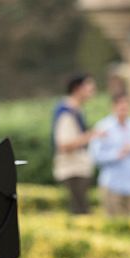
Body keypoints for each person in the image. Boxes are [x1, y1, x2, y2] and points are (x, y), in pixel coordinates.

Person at [89, 92, 130, 217]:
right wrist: (116, 155)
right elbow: (95, 156)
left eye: (127, 106)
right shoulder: (103, 127)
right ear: (113, 107)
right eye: (121, 107)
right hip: (112, 184)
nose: (124, 110)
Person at [52, 73, 100, 214]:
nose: (92, 90)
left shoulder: (77, 110)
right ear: (77, 88)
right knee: (80, 211)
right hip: (73, 169)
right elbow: (63, 145)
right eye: (88, 86)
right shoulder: (66, 112)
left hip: (79, 167)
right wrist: (89, 136)